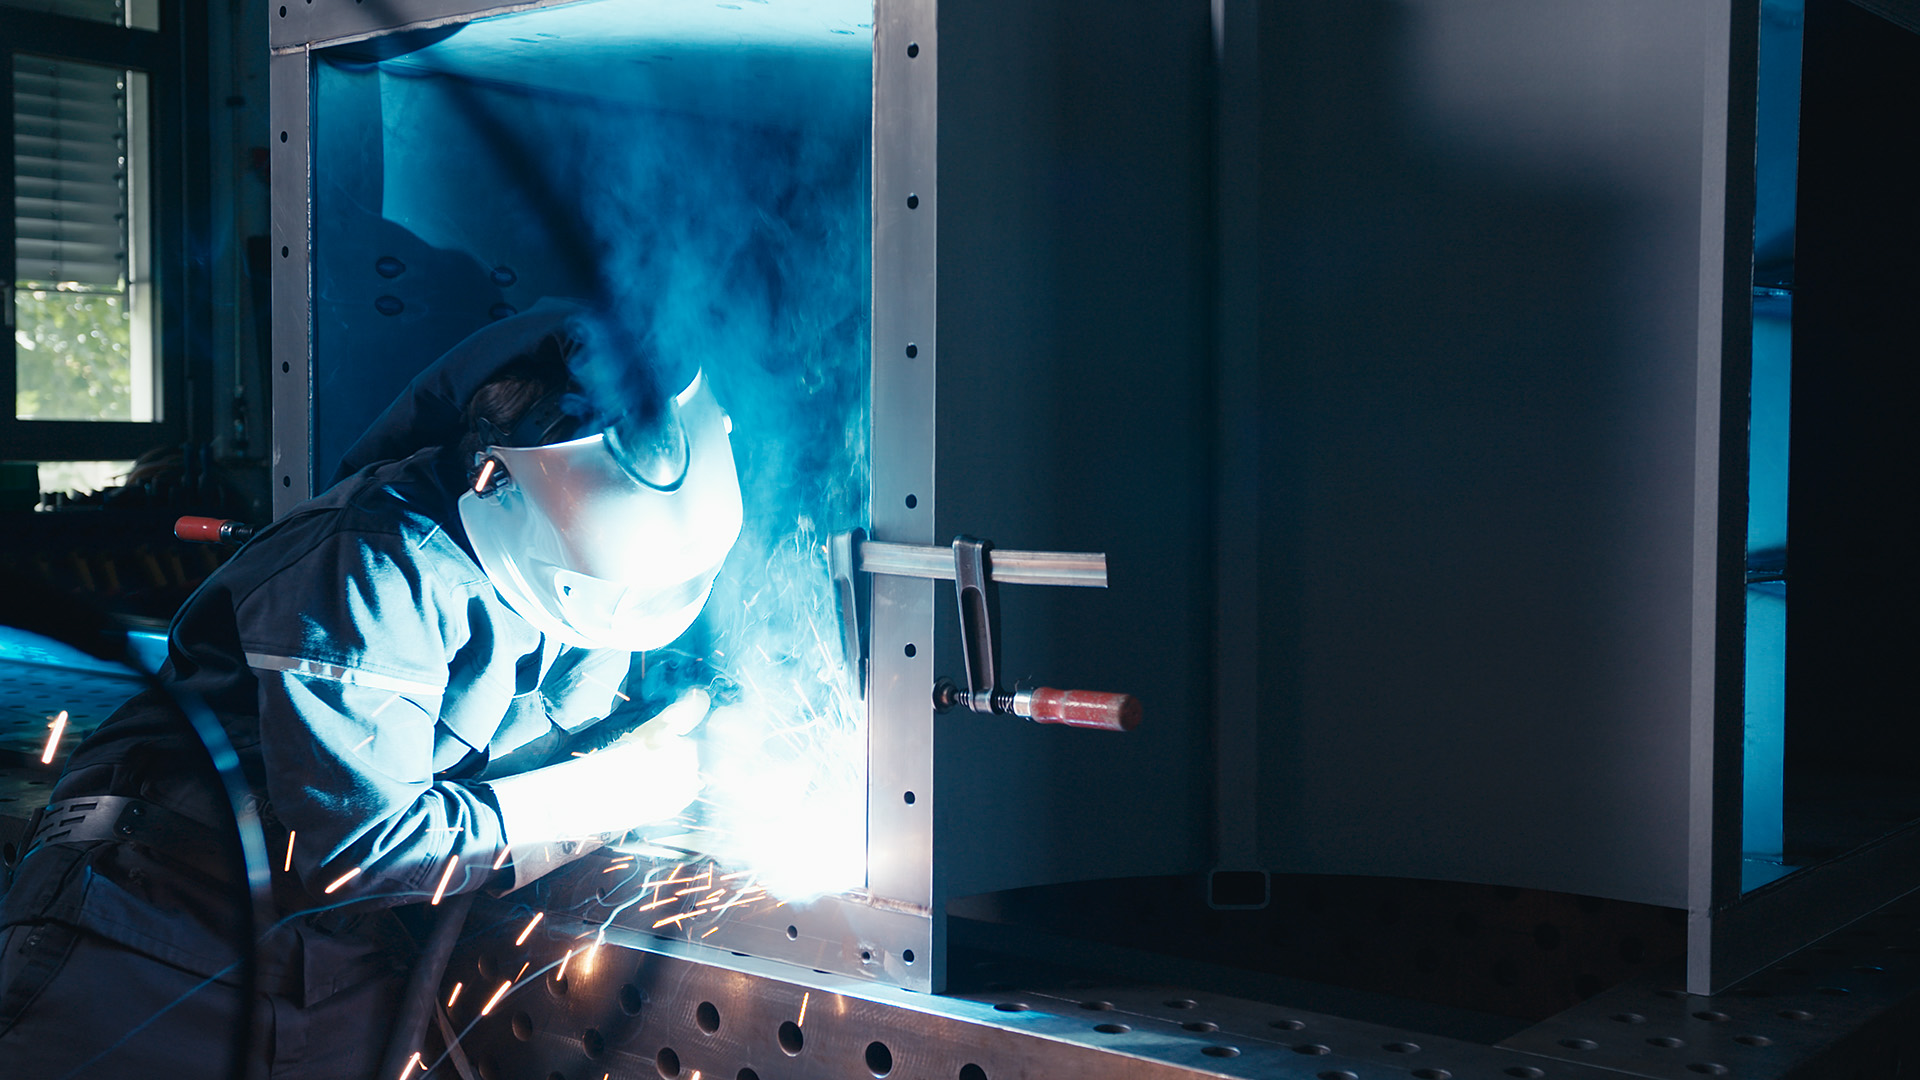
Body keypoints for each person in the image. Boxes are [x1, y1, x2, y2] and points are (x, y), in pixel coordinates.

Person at [0, 301, 742, 1078]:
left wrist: (655, 733)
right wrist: (606, 794)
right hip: (150, 935)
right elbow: (362, 849)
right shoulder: (379, 562)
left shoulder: (592, 564)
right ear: (500, 481)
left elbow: (539, 735)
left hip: (334, 963)